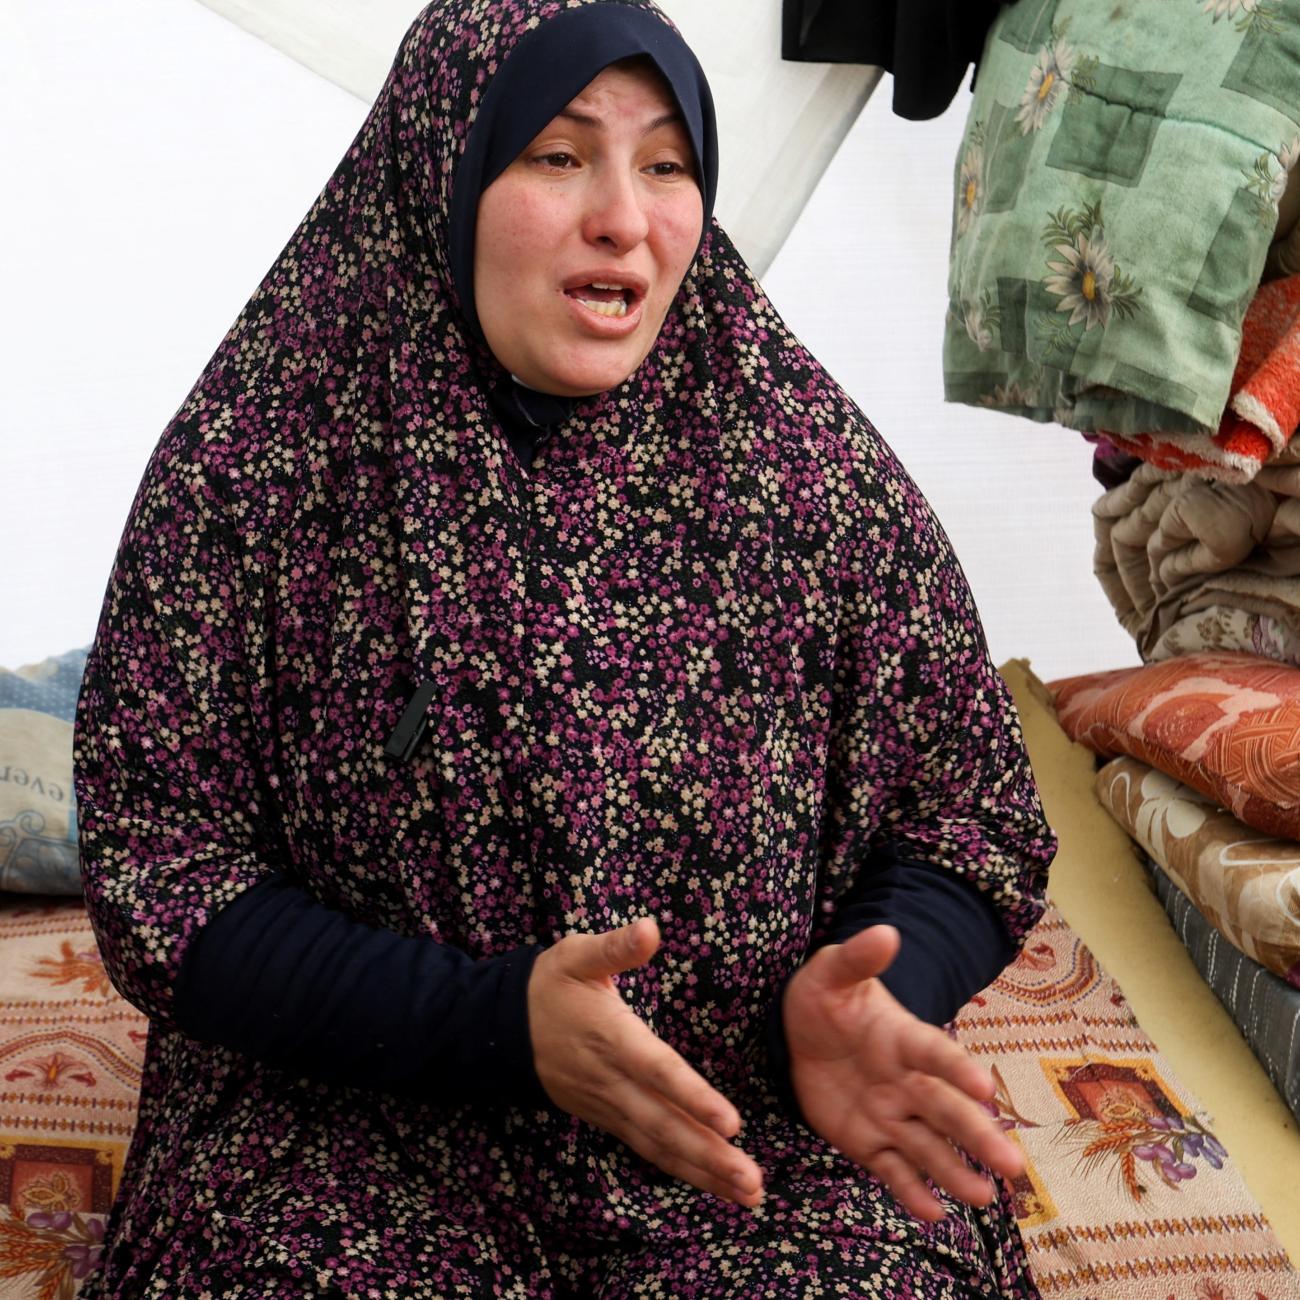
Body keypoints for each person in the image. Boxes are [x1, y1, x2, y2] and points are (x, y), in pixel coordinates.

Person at [73, 1, 1057, 1295]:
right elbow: (163, 876)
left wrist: (882, 987)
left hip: (736, 1111)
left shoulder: (812, 485)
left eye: (667, 163)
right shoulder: (261, 472)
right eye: (557, 154)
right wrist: (488, 1025)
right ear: (446, 167)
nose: (625, 216)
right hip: (355, 1128)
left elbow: (968, 813)